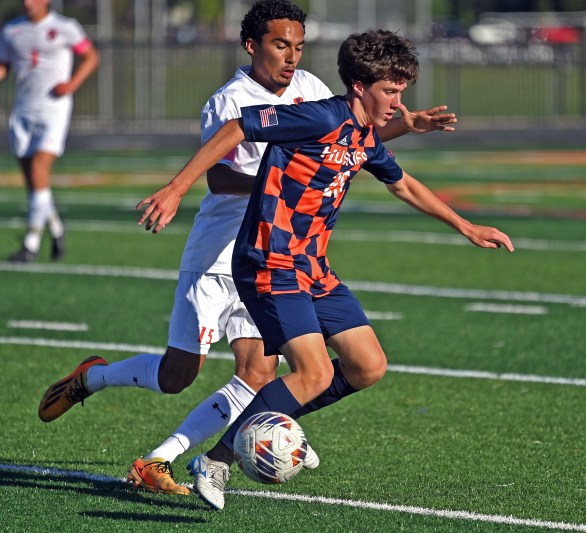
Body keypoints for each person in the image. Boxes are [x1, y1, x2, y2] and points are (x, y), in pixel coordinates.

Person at [38, 0, 457, 496]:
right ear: (252, 45)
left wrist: (401, 128)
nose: (291, 57)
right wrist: (250, 182)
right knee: (178, 374)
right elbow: (219, 175)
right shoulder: (229, 99)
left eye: (299, 47)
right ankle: (95, 378)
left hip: (277, 254)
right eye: (281, 45)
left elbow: (347, 142)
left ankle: (164, 458)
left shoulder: (312, 91)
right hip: (219, 253)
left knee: (260, 373)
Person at [137, 28, 514, 511]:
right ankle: (219, 459)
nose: (399, 103)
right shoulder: (318, 115)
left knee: (368, 366)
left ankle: (277, 419)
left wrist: (465, 226)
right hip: (268, 259)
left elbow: (403, 185)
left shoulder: (362, 136)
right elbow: (238, 128)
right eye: (391, 91)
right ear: (360, 86)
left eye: (402, 91)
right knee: (313, 373)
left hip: (312, 265)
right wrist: (174, 189)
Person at [0, 0, 99, 262]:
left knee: (38, 169)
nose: (27, 2)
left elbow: (91, 56)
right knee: (33, 183)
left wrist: (71, 84)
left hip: (53, 109)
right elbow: (4, 66)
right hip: (22, 110)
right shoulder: (11, 30)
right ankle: (56, 228)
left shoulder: (65, 27)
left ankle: (30, 244)